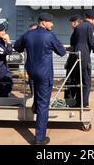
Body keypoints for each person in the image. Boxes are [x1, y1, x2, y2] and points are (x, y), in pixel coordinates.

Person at [14, 13, 66, 145]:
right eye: (50, 22)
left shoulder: (28, 34)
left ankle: (35, 109)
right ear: (43, 23)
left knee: (37, 96)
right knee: (44, 105)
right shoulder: (50, 36)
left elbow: (17, 46)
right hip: (44, 74)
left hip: (31, 72)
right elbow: (62, 52)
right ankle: (39, 138)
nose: (52, 24)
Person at [70, 10, 94, 108]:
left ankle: (78, 101)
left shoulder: (78, 27)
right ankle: (84, 103)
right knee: (86, 80)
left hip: (75, 54)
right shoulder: (91, 27)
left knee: (78, 79)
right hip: (84, 55)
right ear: (92, 19)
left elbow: (72, 41)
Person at [64, 15, 83, 102]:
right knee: (76, 80)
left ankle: (69, 99)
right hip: (77, 58)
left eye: (71, 23)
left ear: (75, 22)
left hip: (74, 59)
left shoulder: (77, 31)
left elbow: (75, 47)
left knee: (70, 80)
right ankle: (74, 99)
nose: (71, 25)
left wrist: (65, 49)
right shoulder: (81, 31)